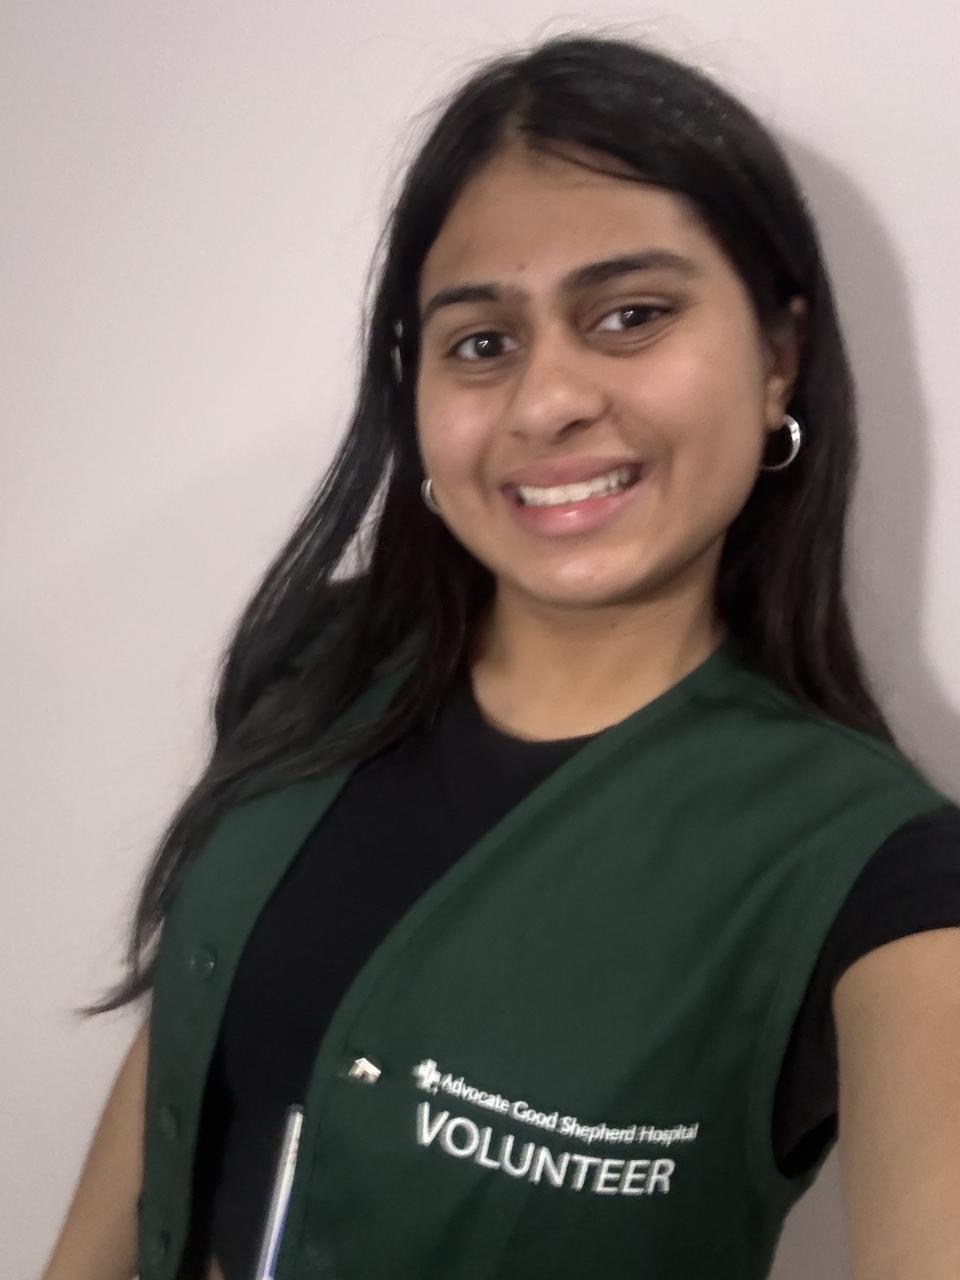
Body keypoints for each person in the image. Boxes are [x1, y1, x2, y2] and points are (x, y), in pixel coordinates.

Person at [41, 31, 960, 1280]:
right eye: (481, 342)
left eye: (630, 315)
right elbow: (188, 1040)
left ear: (777, 359)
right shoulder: (322, 664)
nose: (545, 402)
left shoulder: (885, 882)